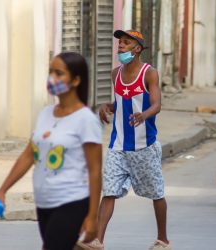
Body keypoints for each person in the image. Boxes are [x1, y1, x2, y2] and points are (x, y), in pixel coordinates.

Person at [0, 52, 103, 250]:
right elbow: (29, 155)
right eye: (50, 72)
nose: (52, 78)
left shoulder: (86, 120)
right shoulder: (45, 113)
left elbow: (95, 171)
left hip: (71, 201)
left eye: (59, 73)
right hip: (44, 202)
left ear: (76, 80)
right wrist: (2, 190)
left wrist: (92, 217)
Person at [77, 30, 170, 250]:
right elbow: (121, 100)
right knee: (109, 191)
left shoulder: (150, 73)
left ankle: (163, 240)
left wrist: (144, 115)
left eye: (126, 43)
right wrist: (108, 106)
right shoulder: (115, 74)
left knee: (156, 193)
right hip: (117, 145)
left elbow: (157, 104)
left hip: (144, 146)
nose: (120, 46)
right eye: (119, 43)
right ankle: (97, 240)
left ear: (137, 49)